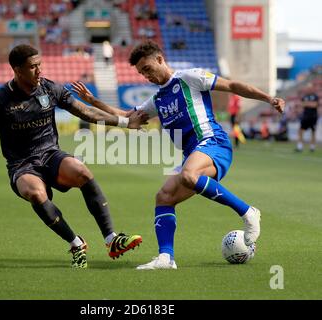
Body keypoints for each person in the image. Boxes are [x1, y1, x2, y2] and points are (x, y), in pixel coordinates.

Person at [71, 41, 285, 270]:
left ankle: (248, 212)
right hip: (194, 154)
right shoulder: (157, 100)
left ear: (160, 59)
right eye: (142, 73)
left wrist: (268, 98)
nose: (146, 76)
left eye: (148, 69)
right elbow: (127, 116)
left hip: (213, 142)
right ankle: (166, 258)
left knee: (188, 174)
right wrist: (93, 101)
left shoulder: (189, 77)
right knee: (164, 196)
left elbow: (232, 85)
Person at [0, 44, 148, 269]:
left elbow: (86, 111)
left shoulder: (50, 89)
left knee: (82, 171)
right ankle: (76, 244)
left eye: (40, 65)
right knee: (36, 194)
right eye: (32, 67)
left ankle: (111, 239)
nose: (39, 70)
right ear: (17, 70)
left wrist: (126, 122)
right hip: (22, 165)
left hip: (50, 154)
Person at [295, 85, 319, 152]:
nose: (308, 90)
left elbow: (315, 105)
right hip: (305, 116)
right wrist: (309, 104)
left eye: (310, 88)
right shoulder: (304, 97)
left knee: (313, 131)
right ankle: (300, 146)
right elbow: (302, 104)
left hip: (313, 117)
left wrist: (306, 103)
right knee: (300, 131)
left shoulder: (315, 96)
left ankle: (312, 147)